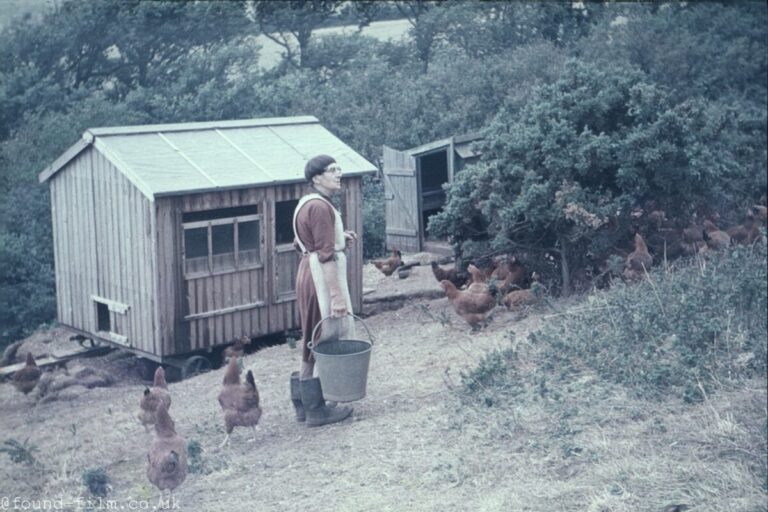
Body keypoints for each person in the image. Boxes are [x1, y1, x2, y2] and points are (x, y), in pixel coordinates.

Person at [289, 154, 356, 427]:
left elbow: (300, 241)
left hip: (308, 270)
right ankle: (316, 410)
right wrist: (338, 297)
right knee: (317, 338)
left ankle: (304, 406)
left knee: (311, 337)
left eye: (339, 169)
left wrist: (340, 239)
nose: (338, 174)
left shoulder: (308, 202)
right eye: (332, 170)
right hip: (319, 277)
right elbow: (325, 256)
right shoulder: (319, 207)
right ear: (316, 178)